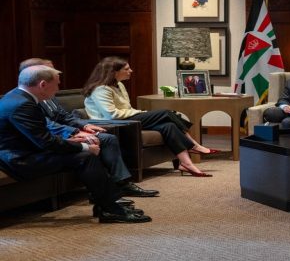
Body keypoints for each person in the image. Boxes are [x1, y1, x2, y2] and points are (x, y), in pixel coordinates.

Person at [0, 65, 150, 223]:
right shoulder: (23, 105)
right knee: (86, 157)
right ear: (43, 84)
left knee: (89, 152)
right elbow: (46, 142)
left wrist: (71, 141)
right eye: (57, 84)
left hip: (28, 151)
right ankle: (110, 209)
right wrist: (84, 146)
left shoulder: (18, 97)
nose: (58, 89)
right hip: (20, 160)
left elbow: (39, 136)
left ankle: (107, 205)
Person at [18, 58, 158, 199]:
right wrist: (75, 132)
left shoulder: (48, 95)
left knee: (108, 138)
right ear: (36, 74)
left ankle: (120, 184)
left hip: (62, 131)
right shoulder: (26, 100)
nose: (57, 75)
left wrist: (84, 125)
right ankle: (107, 193)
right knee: (99, 141)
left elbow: (64, 116)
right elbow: (47, 124)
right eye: (51, 71)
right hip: (51, 137)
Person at [82, 57, 216, 178]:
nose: (131, 71)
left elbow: (126, 108)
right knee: (166, 113)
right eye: (126, 69)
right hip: (113, 123)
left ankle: (186, 164)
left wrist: (138, 112)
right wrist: (138, 113)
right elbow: (111, 114)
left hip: (126, 119)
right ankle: (194, 145)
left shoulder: (119, 85)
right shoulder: (101, 89)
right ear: (114, 72)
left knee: (168, 125)